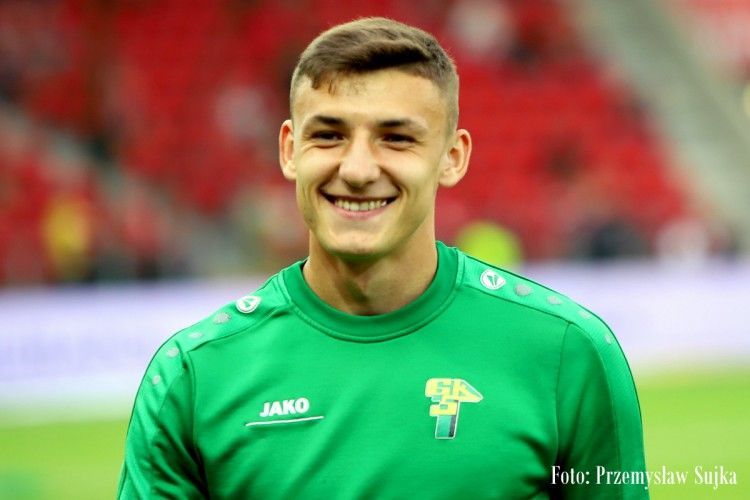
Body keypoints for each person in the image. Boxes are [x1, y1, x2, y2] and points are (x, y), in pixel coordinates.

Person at [118, 17, 648, 499]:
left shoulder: (567, 354)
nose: (357, 169)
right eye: (329, 136)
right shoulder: (194, 375)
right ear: (288, 150)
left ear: (452, 157)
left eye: (396, 139)